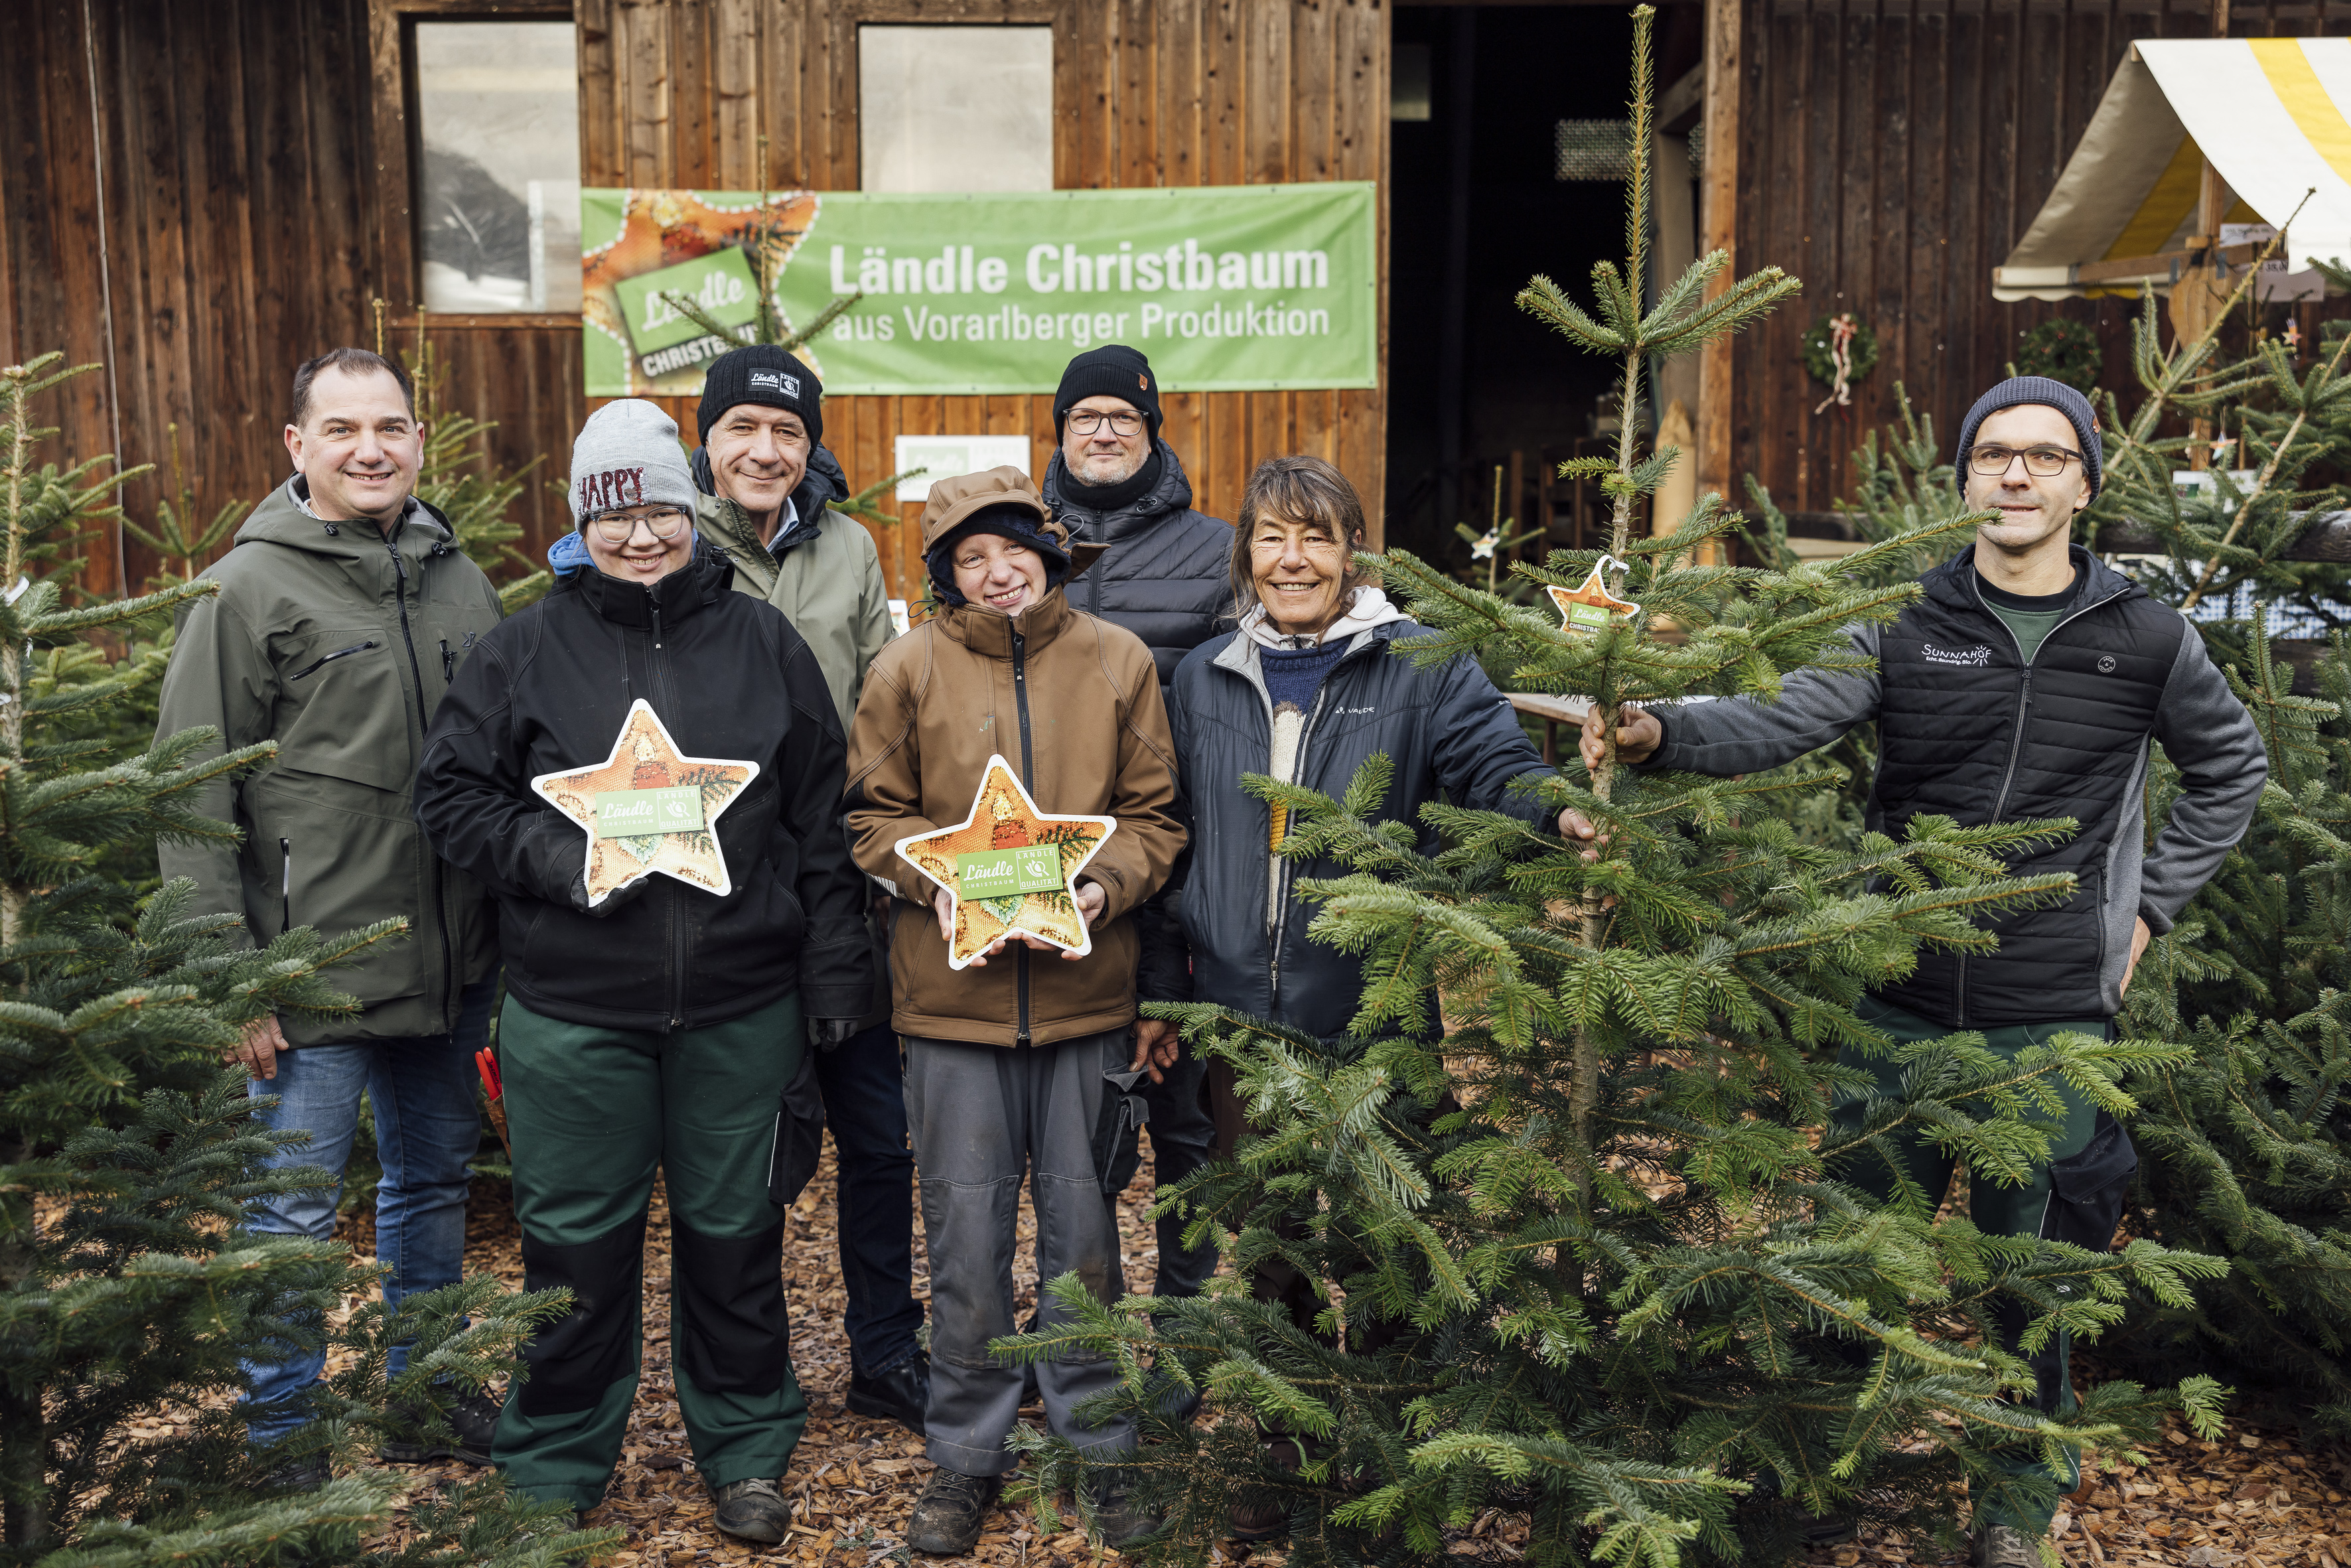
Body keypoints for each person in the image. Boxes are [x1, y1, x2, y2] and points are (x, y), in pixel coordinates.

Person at [1577, 376, 2268, 1568]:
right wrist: (1660, 732)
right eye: (1994, 454)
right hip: (1892, 1004)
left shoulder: (2148, 638)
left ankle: (2008, 1512)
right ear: (1963, 481)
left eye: (2044, 458)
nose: (2016, 474)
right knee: (1850, 1264)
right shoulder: (1904, 616)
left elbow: (2233, 770)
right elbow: (1788, 713)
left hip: (2051, 1019)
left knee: (2030, 1282)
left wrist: (2149, 905)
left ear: (2083, 484)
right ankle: (1814, 1483)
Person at [413, 399, 873, 1544]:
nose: (640, 535)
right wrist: (562, 858)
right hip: (576, 1013)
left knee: (736, 1242)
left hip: (740, 1007)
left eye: (659, 507)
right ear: (582, 521)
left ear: (689, 508)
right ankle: (554, 1463)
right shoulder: (525, 649)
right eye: (613, 512)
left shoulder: (766, 645)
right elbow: (451, 798)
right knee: (572, 1253)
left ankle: (747, 1446)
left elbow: (821, 827)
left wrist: (830, 992)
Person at [1157, 453, 1580, 1538]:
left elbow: (1499, 770)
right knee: (1268, 1243)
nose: (1293, 558)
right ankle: (1278, 1453)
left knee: (1392, 1244)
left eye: (1317, 536)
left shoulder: (1422, 667)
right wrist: (1168, 994)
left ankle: (1389, 1465)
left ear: (1353, 553)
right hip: (1243, 1024)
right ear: (1246, 556)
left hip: (1380, 1013)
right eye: (1271, 537)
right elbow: (1167, 843)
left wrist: (1563, 811)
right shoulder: (1202, 675)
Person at [156, 347, 506, 1474]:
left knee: (433, 1189)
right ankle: (284, 1439)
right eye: (344, 429)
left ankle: (426, 1396)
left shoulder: (460, 578)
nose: (371, 449)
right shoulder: (246, 588)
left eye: (392, 427)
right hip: (306, 971)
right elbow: (191, 786)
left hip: (450, 959)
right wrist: (229, 977)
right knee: (294, 1219)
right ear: (297, 446)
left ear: (417, 440)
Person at [843, 468, 1186, 1555]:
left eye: (1014, 550)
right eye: (971, 558)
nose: (998, 571)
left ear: (1048, 554)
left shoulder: (1116, 659)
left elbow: (1154, 818)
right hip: (952, 1011)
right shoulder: (907, 668)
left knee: (1086, 1245)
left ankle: (1100, 1445)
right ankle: (966, 1456)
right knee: (966, 1240)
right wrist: (938, 883)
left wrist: (1099, 889)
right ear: (948, 574)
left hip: (1086, 1002)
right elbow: (870, 818)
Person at [687, 344, 928, 1435]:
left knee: (879, 1138)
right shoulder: (669, 542)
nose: (765, 449)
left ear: (810, 447)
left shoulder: (850, 550)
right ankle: (753, 1379)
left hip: (847, 895)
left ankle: (885, 1353)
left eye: (787, 432)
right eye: (744, 428)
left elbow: (889, 697)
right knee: (749, 1154)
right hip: (723, 895)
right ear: (708, 439)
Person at [1040, 344, 1234, 1312]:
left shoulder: (1218, 550)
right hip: (1065, 885)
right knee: (1079, 1137)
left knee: (1188, 1128)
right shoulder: (1020, 549)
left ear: (1153, 433)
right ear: (1062, 434)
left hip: (1189, 875)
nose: (1106, 430)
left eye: (1126, 416)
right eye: (1087, 417)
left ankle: (1189, 1337)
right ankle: (1085, 1342)